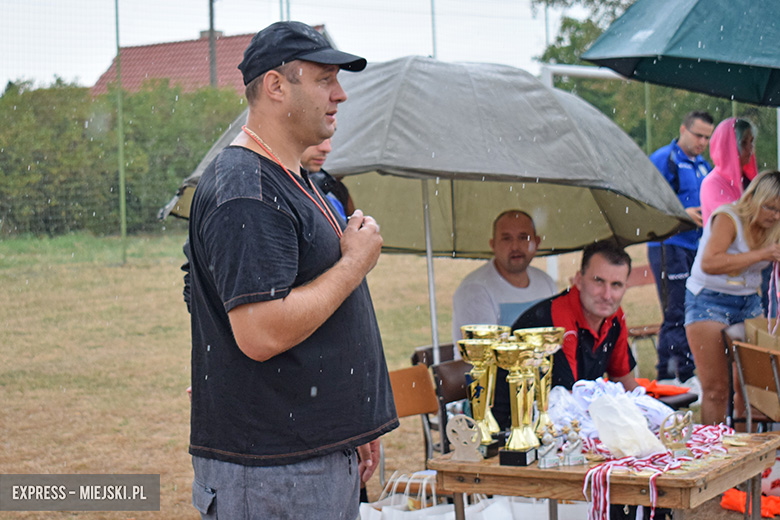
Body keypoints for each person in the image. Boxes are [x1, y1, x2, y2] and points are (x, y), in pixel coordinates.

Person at [186, 21, 398, 519]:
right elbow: (260, 332)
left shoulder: (289, 176)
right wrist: (354, 263)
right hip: (273, 473)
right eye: (325, 79)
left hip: (307, 456)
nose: (340, 94)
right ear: (276, 86)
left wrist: (349, 425)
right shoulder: (246, 187)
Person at [492, 240, 638, 430]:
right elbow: (569, 399)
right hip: (517, 428)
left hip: (566, 421)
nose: (607, 295)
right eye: (598, 281)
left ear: (625, 287)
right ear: (578, 279)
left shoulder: (614, 316)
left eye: (616, 284)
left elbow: (624, 379)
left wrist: (652, 412)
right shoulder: (557, 320)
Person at [685, 171, 780, 425]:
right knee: (716, 389)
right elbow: (710, 263)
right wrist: (762, 254)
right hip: (707, 299)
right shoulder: (729, 217)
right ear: (753, 199)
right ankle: (712, 455)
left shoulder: (775, 226)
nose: (775, 216)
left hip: (748, 301)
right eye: (770, 207)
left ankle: (747, 454)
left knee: (757, 389)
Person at [646, 111, 713, 388]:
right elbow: (646, 201)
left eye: (707, 138)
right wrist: (680, 213)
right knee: (675, 310)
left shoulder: (703, 165)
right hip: (668, 244)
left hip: (696, 246)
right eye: (698, 135)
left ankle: (685, 372)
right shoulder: (664, 159)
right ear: (683, 129)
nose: (702, 142)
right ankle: (672, 375)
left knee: (694, 308)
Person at [451, 210, 557, 344]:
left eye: (523, 237)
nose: (515, 246)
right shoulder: (474, 289)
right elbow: (485, 356)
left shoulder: (546, 282)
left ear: (536, 242)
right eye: (506, 238)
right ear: (493, 245)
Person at [700, 117, 758, 225]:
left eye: (751, 141)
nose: (750, 147)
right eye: (744, 143)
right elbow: (732, 218)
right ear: (728, 145)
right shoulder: (712, 183)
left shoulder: (750, 181)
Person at [304, 137, 355, 220]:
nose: (327, 148)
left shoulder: (334, 187)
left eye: (330, 137)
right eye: (319, 136)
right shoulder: (278, 188)